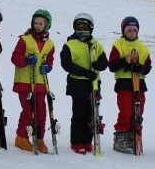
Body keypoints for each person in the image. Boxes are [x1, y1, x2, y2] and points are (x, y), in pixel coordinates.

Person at [60, 13, 108, 155]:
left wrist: (98, 65)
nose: (82, 29)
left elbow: (105, 62)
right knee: (79, 114)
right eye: (79, 26)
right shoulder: (70, 44)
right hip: (77, 83)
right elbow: (66, 64)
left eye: (85, 26)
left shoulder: (96, 44)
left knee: (91, 114)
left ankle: (87, 140)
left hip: (93, 84)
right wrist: (85, 72)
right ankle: (76, 142)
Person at [10, 9, 55, 153]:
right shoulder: (25, 39)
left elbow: (50, 61)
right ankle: (21, 138)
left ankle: (39, 137)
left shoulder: (50, 44)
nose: (37, 25)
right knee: (29, 110)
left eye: (41, 23)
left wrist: (48, 67)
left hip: (41, 83)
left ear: (46, 25)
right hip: (25, 81)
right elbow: (15, 58)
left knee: (41, 111)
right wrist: (26, 60)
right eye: (35, 22)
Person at [107, 15, 152, 154]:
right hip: (124, 83)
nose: (132, 32)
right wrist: (124, 63)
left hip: (139, 84)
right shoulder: (118, 44)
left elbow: (148, 66)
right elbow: (112, 66)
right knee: (126, 111)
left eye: (134, 30)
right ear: (123, 31)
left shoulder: (142, 47)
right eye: (129, 30)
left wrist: (141, 68)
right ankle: (121, 138)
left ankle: (133, 135)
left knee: (138, 111)